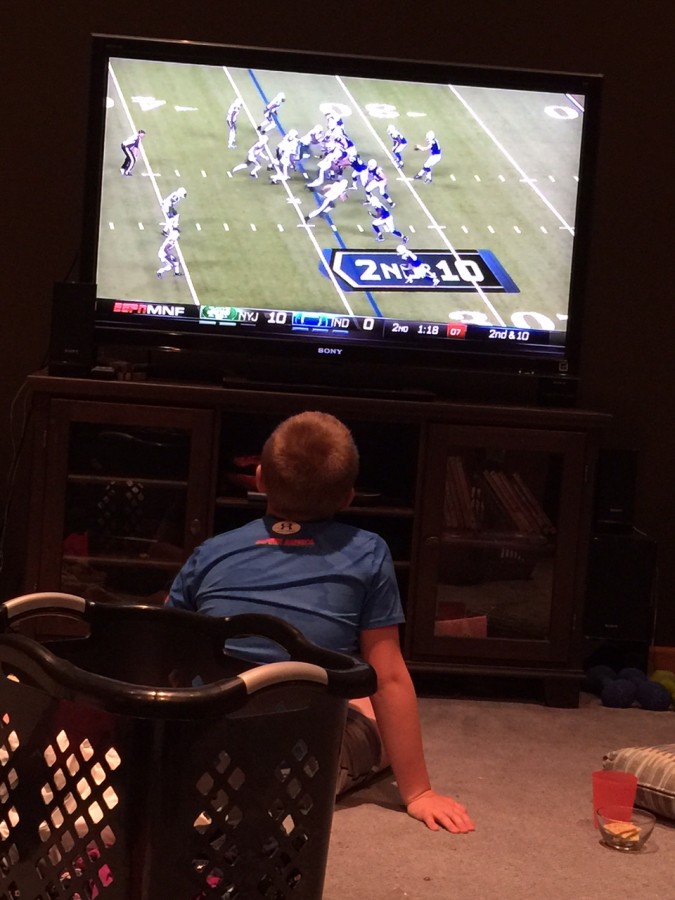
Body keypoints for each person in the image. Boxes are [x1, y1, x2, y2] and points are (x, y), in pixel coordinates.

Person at [167, 411, 474, 834]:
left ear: (259, 479)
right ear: (348, 497)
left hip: (202, 761)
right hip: (298, 774)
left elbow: (164, 646)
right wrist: (419, 792)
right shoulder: (369, 553)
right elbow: (388, 678)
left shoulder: (212, 551)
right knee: (369, 704)